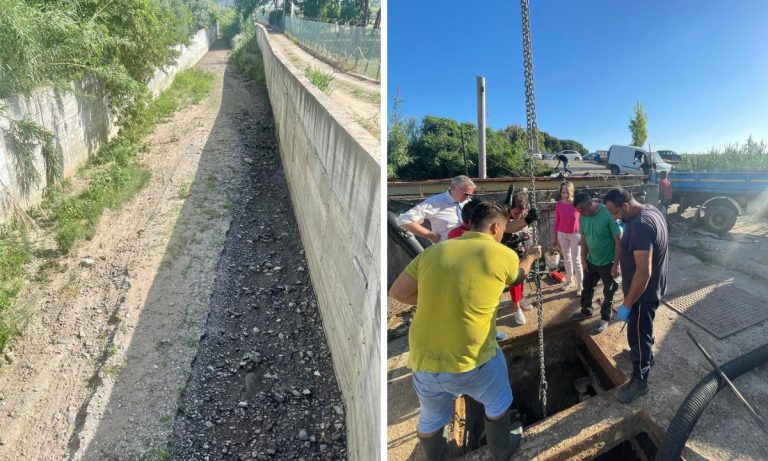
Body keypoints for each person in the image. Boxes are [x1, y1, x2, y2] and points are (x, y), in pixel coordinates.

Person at [388, 201, 542, 460]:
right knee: (497, 402)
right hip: (474, 360)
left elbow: (398, 293)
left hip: (424, 363)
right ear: (495, 228)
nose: (503, 234)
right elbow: (518, 276)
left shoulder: (433, 252)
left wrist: (442, 299)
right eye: (503, 229)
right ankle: (501, 449)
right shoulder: (501, 253)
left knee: (431, 417)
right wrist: (531, 256)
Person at [603, 188, 668, 404]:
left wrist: (627, 304)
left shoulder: (640, 224)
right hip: (651, 288)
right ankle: (647, 356)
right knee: (645, 328)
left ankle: (640, 381)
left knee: (638, 336)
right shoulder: (651, 211)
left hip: (643, 294)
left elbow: (644, 272)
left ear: (626, 206)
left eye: (615, 213)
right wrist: (620, 264)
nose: (614, 218)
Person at [571, 192, 622, 335]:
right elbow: (584, 239)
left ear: (590, 204)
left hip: (608, 262)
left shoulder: (607, 214)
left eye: (581, 210)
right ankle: (586, 311)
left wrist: (616, 264)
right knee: (586, 287)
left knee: (609, 292)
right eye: (578, 211)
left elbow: (619, 241)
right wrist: (583, 260)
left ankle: (605, 319)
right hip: (592, 261)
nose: (580, 214)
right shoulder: (583, 216)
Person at [397, 175, 476, 244]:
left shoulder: (469, 203)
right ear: (453, 187)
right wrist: (430, 235)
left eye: (470, 195)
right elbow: (404, 220)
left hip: (467, 250)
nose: (467, 197)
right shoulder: (435, 202)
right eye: (465, 194)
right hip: (445, 252)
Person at [504, 191, 540, 326]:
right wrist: (525, 221)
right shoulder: (502, 216)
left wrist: (524, 234)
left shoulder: (522, 215)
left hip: (519, 250)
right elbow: (509, 228)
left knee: (523, 276)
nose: (519, 216)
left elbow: (520, 229)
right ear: (510, 208)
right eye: (516, 213)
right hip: (507, 253)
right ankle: (516, 307)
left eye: (522, 213)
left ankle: (521, 297)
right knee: (515, 280)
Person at [551, 181, 582, 296]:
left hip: (575, 234)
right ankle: (570, 281)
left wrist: (584, 235)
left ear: (572, 192)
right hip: (562, 234)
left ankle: (581, 286)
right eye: (562, 192)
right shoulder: (559, 204)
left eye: (567, 192)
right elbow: (557, 221)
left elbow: (583, 220)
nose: (564, 195)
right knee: (567, 259)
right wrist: (554, 237)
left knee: (576, 260)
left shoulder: (577, 204)